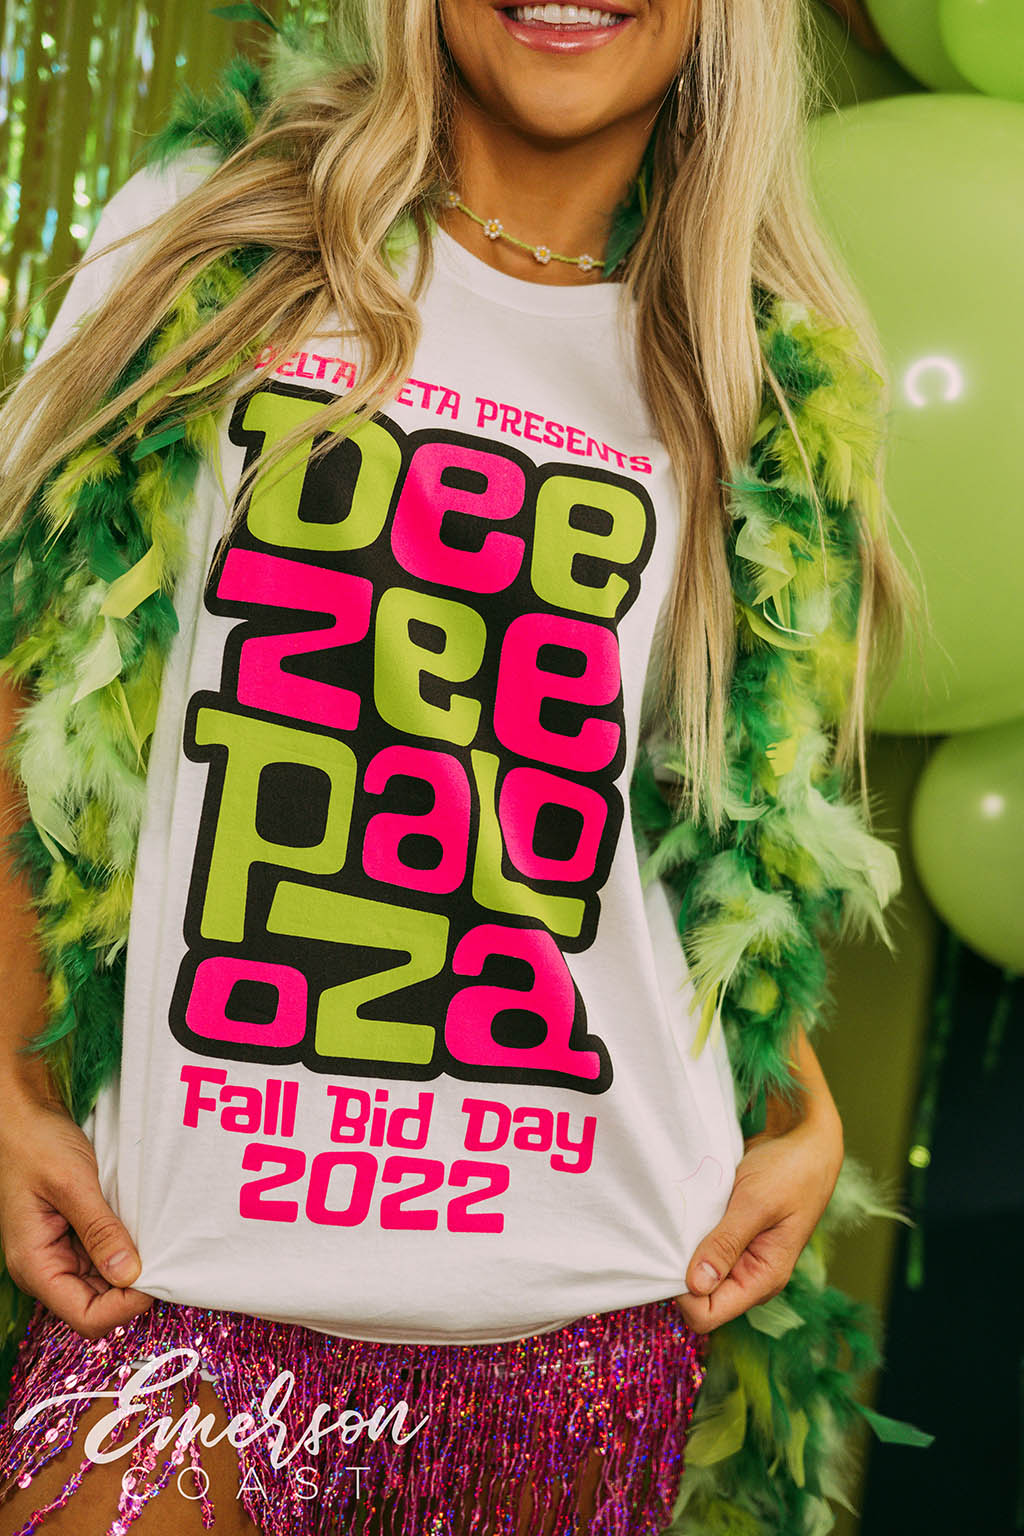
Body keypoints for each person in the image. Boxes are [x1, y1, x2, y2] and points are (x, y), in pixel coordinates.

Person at [0, 1, 909, 1532]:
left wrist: (795, 1102)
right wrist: (7, 1074)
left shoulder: (753, 374)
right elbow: (23, 659)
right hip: (178, 1281)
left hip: (592, 1310)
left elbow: (720, 834)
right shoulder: (218, 230)